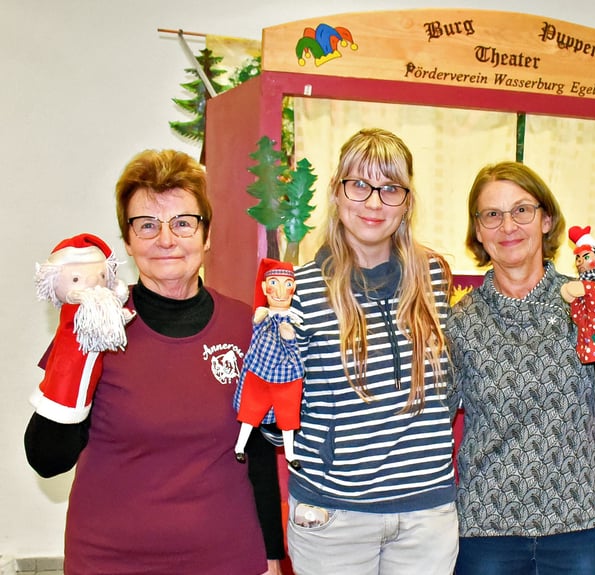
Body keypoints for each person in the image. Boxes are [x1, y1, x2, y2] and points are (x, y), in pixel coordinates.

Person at [23, 149, 284, 575]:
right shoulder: (96, 324)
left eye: (183, 223)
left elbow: (255, 453)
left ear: (206, 235)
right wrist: (78, 351)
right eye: (147, 225)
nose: (166, 239)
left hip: (226, 557)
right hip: (109, 560)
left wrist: (272, 556)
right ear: (127, 240)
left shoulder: (245, 325)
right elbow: (47, 460)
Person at [446, 161, 595, 575]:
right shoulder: (460, 323)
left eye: (522, 210)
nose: (508, 226)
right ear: (478, 231)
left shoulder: (587, 302)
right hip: (488, 529)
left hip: (579, 524)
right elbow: (431, 422)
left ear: (546, 219)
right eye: (492, 215)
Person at [279, 128, 458, 575]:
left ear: (407, 202)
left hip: (427, 515)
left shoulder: (434, 276)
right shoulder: (297, 291)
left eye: (390, 188)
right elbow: (275, 410)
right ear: (336, 194)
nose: (374, 203)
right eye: (359, 185)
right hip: (335, 516)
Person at [234, 259, 304, 469]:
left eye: (288, 284)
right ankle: (240, 447)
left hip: (287, 376)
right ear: (265, 287)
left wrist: (289, 336)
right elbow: (256, 326)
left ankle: (291, 455)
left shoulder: (293, 318)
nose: (281, 291)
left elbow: (295, 347)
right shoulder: (263, 315)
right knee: (250, 412)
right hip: (259, 371)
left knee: (288, 417)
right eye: (274, 283)